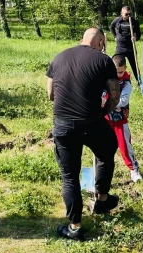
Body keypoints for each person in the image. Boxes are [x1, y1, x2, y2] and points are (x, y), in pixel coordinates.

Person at [46, 28, 121, 241]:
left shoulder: (59, 56)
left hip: (63, 125)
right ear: (99, 41)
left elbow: (50, 93)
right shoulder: (103, 60)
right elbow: (114, 97)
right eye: (103, 43)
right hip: (92, 122)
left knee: (69, 177)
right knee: (107, 151)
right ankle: (102, 198)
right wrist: (102, 112)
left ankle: (75, 226)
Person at [105, 54, 143, 183]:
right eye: (116, 72)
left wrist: (106, 102)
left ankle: (133, 169)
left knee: (125, 145)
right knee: (102, 146)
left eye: (121, 72)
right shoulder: (105, 77)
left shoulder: (126, 84)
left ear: (125, 68)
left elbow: (123, 100)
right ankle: (102, 173)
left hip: (120, 120)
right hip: (105, 118)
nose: (119, 75)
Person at [110, 6, 142, 85]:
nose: (128, 16)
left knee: (135, 66)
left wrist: (135, 38)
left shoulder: (134, 22)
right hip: (120, 47)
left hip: (130, 48)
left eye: (130, 14)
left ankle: (139, 82)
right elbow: (111, 27)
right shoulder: (117, 20)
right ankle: (117, 82)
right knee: (117, 65)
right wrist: (115, 36)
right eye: (126, 14)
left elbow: (138, 33)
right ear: (121, 13)